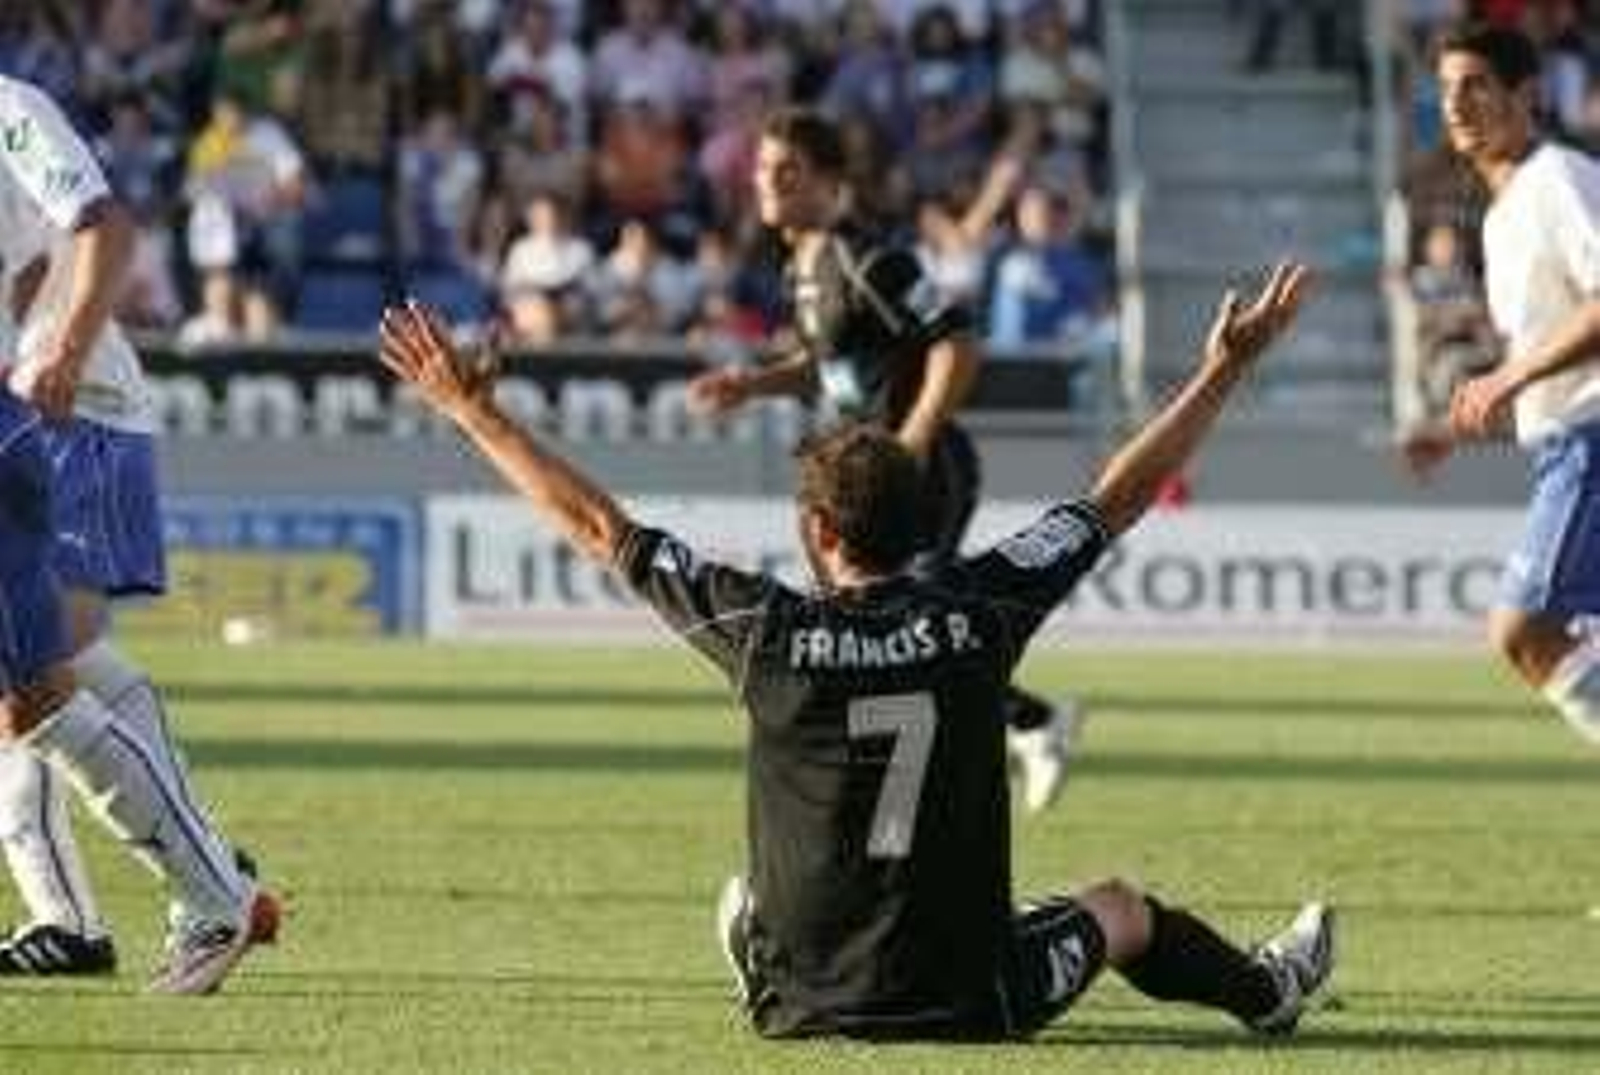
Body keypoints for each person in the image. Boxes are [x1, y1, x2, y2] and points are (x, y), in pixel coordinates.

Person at [377, 258, 1335, 1041]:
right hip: (974, 1000)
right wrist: (1223, 369)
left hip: (797, 1006)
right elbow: (1115, 497)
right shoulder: (979, 607)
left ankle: (774, 946)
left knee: (752, 890)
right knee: (1120, 908)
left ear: (820, 536)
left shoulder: (765, 630)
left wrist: (472, 410)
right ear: (918, 525)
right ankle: (1266, 990)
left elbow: (599, 526)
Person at [686, 106, 1082, 814]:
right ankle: (1024, 725)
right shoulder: (802, 265)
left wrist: (915, 440)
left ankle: (1020, 731)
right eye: (762, 170)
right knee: (875, 626)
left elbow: (955, 341)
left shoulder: (870, 258)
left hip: (923, 471)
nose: (768, 183)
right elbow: (826, 362)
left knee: (910, 623)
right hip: (864, 476)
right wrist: (750, 384)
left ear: (831, 182)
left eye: (787, 171)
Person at [0, 72, 277, 988]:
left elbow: (105, 226)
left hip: (71, 413)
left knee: (34, 684)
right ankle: (194, 873)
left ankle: (185, 897)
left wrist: (63, 353)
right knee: (53, 673)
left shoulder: (9, 108)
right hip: (37, 414)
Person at [1415, 24, 1600, 750]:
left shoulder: (1558, 178)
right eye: (1445, 89)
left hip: (1592, 439)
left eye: (1476, 85)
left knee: (1524, 629)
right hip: (1567, 442)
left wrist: (1512, 375)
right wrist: (1455, 422)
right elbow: (1543, 343)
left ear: (1526, 93)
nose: (1456, 103)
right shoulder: (1502, 216)